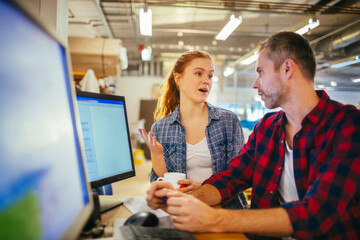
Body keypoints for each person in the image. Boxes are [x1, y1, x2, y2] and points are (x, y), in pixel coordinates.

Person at [146, 32, 360, 239]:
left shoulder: (347, 125)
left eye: (261, 72)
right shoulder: (267, 128)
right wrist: (180, 201)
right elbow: (230, 179)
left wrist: (215, 219)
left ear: (287, 69)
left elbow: (315, 215)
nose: (255, 83)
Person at [139, 51, 248, 209]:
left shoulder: (228, 121)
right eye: (198, 73)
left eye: (210, 76)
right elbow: (162, 183)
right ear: (179, 79)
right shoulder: (161, 128)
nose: (206, 81)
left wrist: (205, 189)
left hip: (224, 211)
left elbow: (240, 176)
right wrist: (157, 155)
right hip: (182, 211)